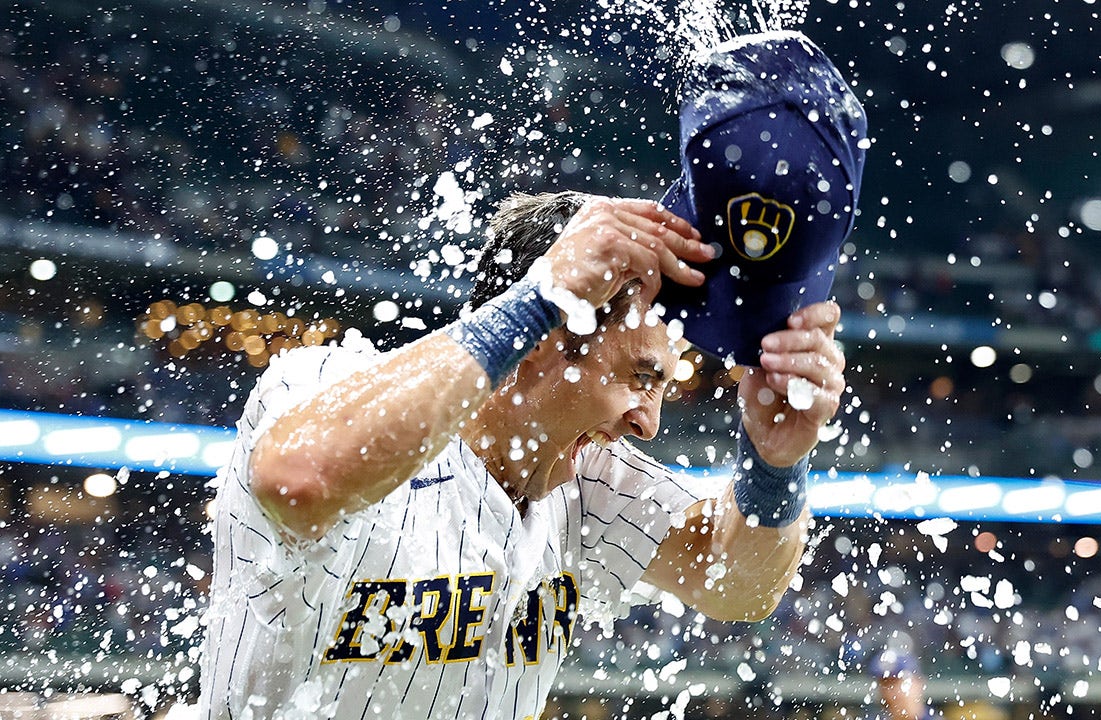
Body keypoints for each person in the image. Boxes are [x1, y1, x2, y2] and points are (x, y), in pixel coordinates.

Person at [196, 31, 863, 720]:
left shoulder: (589, 482)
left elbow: (738, 587)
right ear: (542, 340)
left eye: (662, 384)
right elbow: (301, 481)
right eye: (638, 376)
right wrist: (539, 296)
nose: (648, 421)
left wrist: (774, 465)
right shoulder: (328, 381)